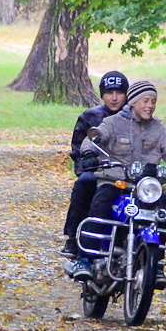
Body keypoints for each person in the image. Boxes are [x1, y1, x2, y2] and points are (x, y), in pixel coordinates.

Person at [71, 80, 166, 285]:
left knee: (161, 215)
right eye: (145, 100)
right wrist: (87, 152)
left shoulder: (158, 129)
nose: (149, 105)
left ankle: (156, 264)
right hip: (114, 181)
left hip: (145, 187)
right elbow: (95, 137)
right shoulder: (113, 122)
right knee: (100, 206)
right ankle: (85, 259)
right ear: (132, 102)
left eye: (153, 101)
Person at [59, 70, 129, 258]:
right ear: (102, 94)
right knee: (84, 183)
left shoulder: (136, 117)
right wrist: (89, 162)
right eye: (109, 93)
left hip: (128, 172)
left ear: (126, 94)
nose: (114, 98)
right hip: (98, 171)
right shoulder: (90, 117)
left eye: (119, 93)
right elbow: (77, 149)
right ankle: (74, 238)